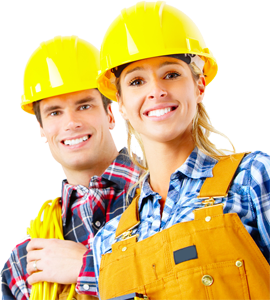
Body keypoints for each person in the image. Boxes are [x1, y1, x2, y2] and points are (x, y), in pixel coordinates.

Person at [91, 2, 270, 299]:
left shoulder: (253, 179)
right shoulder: (107, 243)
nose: (156, 90)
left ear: (199, 86)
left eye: (171, 74)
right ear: (120, 104)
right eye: (137, 81)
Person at [0, 37, 140, 300]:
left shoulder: (166, 196)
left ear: (111, 114)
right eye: (54, 113)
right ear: (42, 130)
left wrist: (86, 266)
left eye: (84, 106)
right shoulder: (26, 261)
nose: (71, 122)